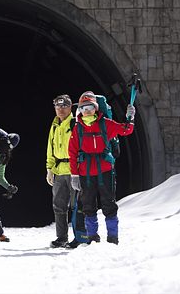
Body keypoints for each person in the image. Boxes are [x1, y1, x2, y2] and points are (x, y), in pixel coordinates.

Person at [69, 91, 135, 245]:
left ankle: (113, 238)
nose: (87, 111)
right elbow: (72, 152)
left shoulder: (106, 124)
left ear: (96, 108)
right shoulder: (77, 129)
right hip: (85, 174)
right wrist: (74, 175)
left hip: (105, 171)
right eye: (84, 108)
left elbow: (126, 130)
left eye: (90, 107)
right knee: (88, 206)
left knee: (109, 204)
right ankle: (93, 238)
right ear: (80, 110)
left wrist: (130, 117)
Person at [46, 94, 80, 248]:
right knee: (59, 206)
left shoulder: (75, 124)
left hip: (74, 171)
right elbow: (50, 149)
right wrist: (49, 169)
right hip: (59, 171)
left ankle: (79, 236)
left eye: (64, 106)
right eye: (58, 106)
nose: (60, 109)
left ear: (70, 107)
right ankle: (61, 238)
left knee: (77, 206)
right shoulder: (54, 125)